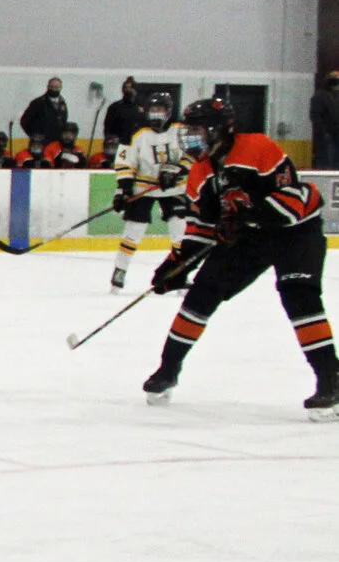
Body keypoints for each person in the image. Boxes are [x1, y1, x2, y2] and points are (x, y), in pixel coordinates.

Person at [143, 98, 337, 418]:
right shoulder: (200, 172)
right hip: (250, 238)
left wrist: (249, 213)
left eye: (197, 130)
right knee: (201, 294)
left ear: (221, 130)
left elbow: (291, 196)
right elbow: (200, 227)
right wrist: (177, 263)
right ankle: (168, 370)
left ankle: (331, 381)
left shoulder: (257, 146)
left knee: (299, 296)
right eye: (188, 130)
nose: (191, 138)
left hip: (295, 231)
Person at [110, 93, 188, 292]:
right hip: (143, 188)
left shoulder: (182, 131)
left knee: (180, 232)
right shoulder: (136, 133)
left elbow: (194, 155)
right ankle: (119, 271)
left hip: (174, 188)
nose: (156, 115)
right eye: (153, 111)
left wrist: (176, 170)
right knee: (133, 231)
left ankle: (180, 274)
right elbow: (124, 163)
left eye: (160, 110)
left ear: (169, 112)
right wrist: (123, 190)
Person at [99, 77, 146, 159]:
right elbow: (107, 128)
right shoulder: (115, 107)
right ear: (123, 90)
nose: (128, 90)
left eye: (131, 88)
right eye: (126, 88)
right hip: (118, 147)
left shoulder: (142, 108)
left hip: (137, 146)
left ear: (135, 90)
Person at [19, 77, 69, 149]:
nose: (54, 89)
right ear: (48, 87)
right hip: (40, 143)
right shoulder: (38, 102)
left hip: (57, 143)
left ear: (61, 88)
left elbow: (63, 121)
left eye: (57, 87)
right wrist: (34, 135)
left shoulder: (62, 103)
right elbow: (24, 121)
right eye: (52, 87)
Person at [312, 71, 339, 170]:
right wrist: (324, 132)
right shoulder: (320, 96)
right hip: (326, 135)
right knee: (327, 160)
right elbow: (316, 116)